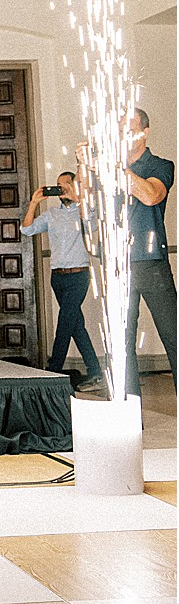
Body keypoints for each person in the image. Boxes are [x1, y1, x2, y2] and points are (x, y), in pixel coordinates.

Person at [22, 171, 101, 387]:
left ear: (75, 186)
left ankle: (53, 371)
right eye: (59, 185)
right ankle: (95, 370)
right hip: (57, 277)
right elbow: (26, 229)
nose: (62, 188)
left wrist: (79, 199)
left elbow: (94, 226)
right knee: (75, 325)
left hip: (79, 276)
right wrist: (34, 202)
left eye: (67, 184)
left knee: (65, 324)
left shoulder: (85, 210)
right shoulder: (51, 215)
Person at [123, 108, 176, 395]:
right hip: (119, 266)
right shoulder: (109, 168)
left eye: (130, 130)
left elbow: (151, 195)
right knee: (122, 343)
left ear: (145, 132)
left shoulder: (160, 165)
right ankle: (129, 409)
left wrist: (119, 170)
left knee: (173, 336)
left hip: (151, 264)